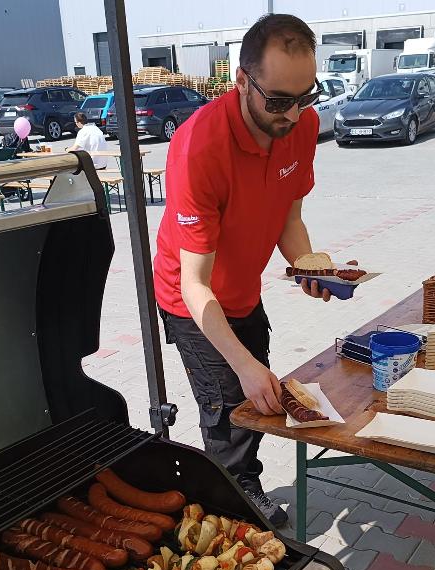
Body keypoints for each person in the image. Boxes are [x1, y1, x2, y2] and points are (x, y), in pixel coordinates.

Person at [153, 14, 327, 526]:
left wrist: (310, 266)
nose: (293, 115)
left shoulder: (303, 125)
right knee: (230, 406)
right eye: (278, 101)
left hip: (243, 291)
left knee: (257, 398)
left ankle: (241, 489)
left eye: (305, 97)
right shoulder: (199, 147)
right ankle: (235, 511)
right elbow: (194, 284)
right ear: (241, 82)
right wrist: (243, 365)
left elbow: (288, 218)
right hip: (192, 301)